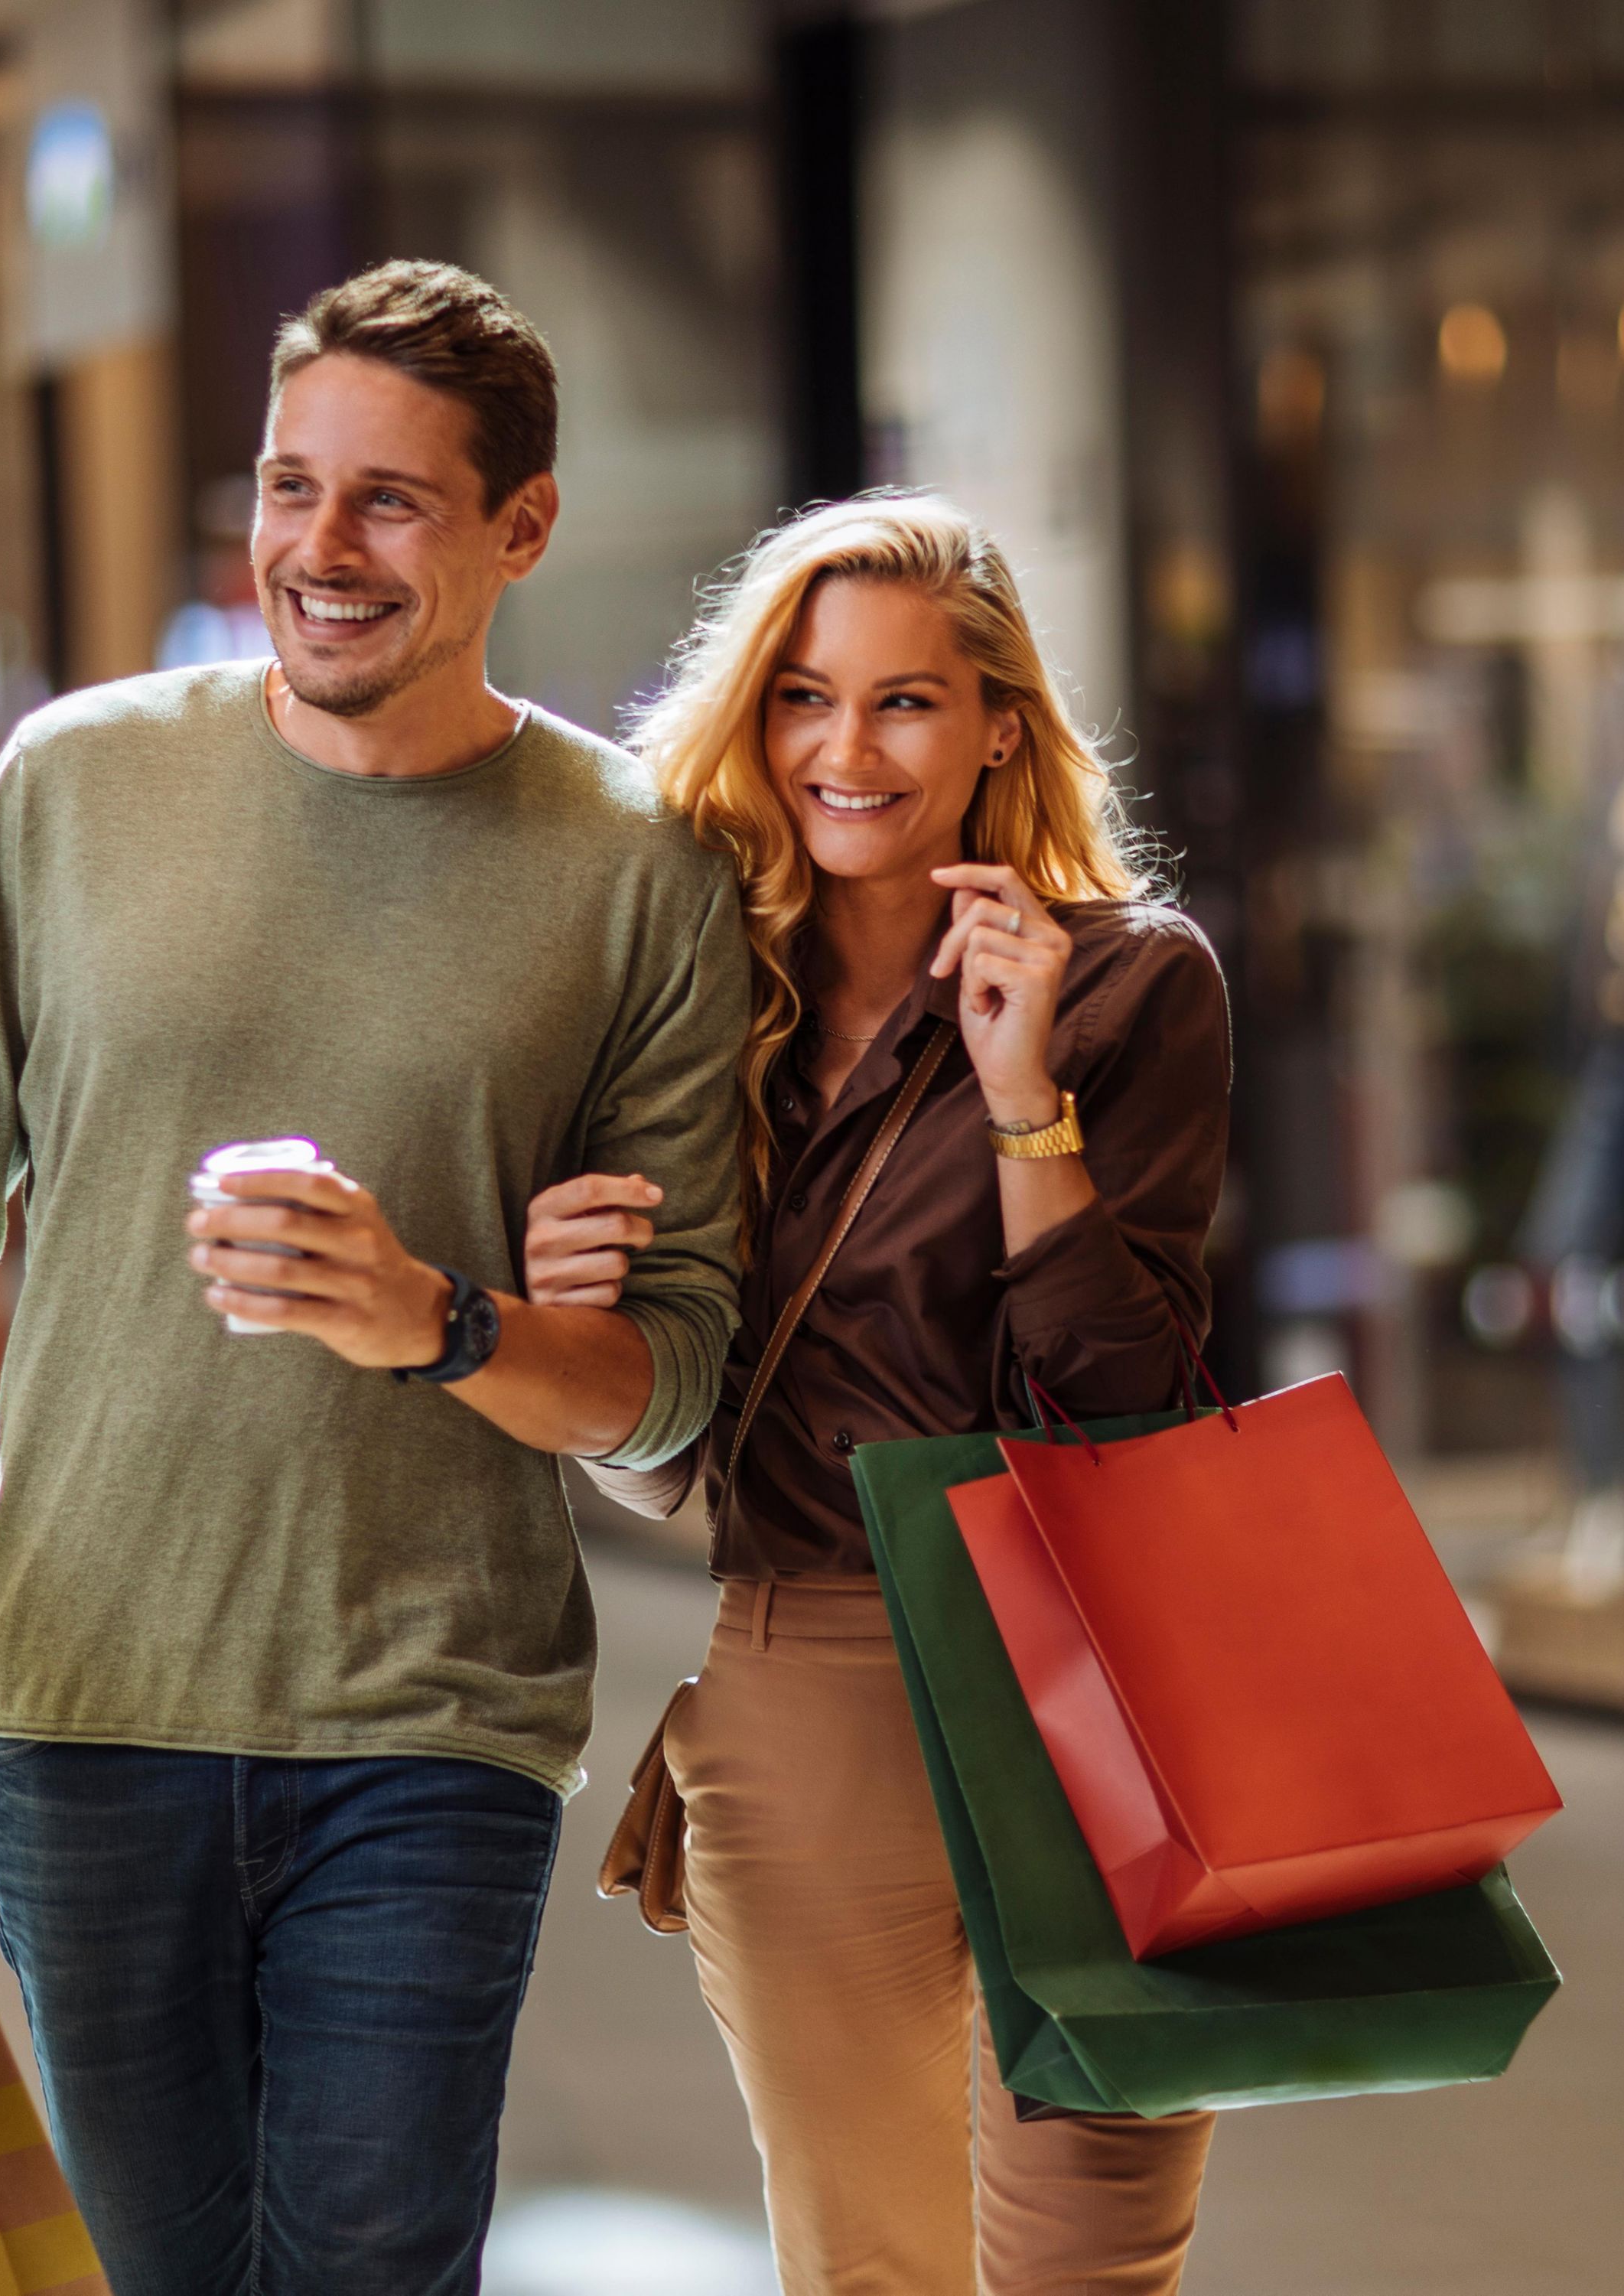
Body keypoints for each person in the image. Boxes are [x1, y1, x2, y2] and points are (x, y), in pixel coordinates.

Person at [0, 260, 747, 2296]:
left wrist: (438, 1317)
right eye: (288, 485)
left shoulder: (635, 867)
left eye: (390, 500)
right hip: (89, 1695)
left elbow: (665, 1386)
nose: (319, 548)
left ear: (522, 525)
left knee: (367, 2262)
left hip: (436, 1710)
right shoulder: (72, 786)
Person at [526, 494, 1232, 2296]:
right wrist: (577, 1322)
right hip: (814, 1679)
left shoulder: (1129, 983)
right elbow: (664, 1461)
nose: (844, 748)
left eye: (904, 700)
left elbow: (1125, 1398)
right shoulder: (694, 1015)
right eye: (803, 696)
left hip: (1101, 1678)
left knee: (1091, 2271)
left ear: (997, 724)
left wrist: (1020, 1105)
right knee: (871, 2272)